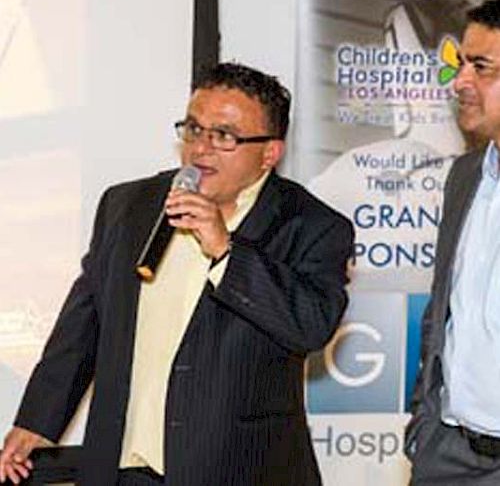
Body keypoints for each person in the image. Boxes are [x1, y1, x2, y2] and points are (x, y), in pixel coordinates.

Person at [0, 62, 354, 486]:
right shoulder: (129, 205)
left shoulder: (312, 226)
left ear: (269, 153)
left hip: (239, 472)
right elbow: (84, 325)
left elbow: (311, 325)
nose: (200, 148)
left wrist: (226, 251)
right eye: (193, 129)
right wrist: (38, 421)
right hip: (125, 470)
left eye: (223, 135)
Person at [405, 0, 500, 486]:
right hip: (448, 454)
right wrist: (423, 425)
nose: (459, 82)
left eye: (480, 67)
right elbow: (443, 311)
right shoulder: (465, 176)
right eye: (461, 64)